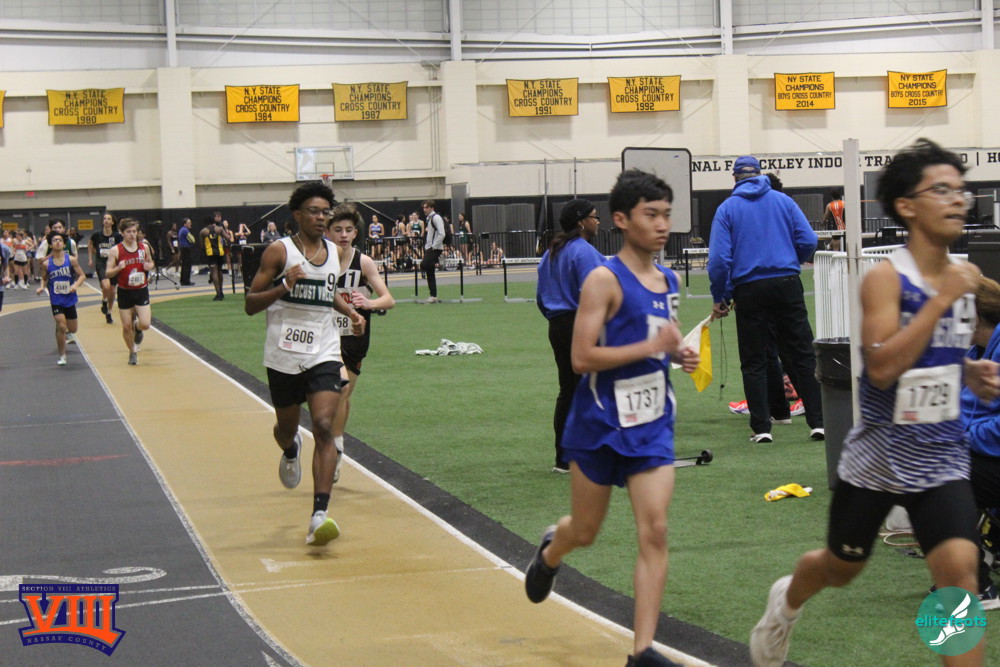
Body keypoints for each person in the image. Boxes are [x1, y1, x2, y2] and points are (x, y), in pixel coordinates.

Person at [750, 138, 1000, 667]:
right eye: (941, 190)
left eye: (960, 190)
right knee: (841, 567)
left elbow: (937, 354)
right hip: (880, 457)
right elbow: (882, 367)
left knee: (959, 574)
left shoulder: (965, 279)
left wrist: (967, 371)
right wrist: (941, 299)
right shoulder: (887, 278)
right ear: (907, 206)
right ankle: (786, 601)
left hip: (941, 455)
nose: (958, 200)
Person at [523, 169, 699, 667]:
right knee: (585, 530)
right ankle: (551, 551)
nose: (662, 224)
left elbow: (663, 336)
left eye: (666, 215)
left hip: (652, 424)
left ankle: (642, 651)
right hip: (599, 422)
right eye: (651, 215)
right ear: (621, 220)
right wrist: (651, 346)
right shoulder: (603, 279)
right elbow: (582, 358)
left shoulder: (670, 280)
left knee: (655, 529)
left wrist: (678, 353)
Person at [244, 181, 365, 546]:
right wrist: (284, 285)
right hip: (283, 355)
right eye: (314, 211)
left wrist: (351, 313)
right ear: (297, 214)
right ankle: (290, 447)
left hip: (323, 351)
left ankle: (319, 515)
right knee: (286, 428)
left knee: (325, 424)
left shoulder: (333, 252)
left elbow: (326, 293)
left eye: (326, 212)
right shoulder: (279, 251)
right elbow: (250, 304)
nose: (321, 217)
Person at [707, 155, 824, 444]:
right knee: (802, 354)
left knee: (754, 359)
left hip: (750, 289)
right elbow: (809, 240)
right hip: (787, 284)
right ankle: (819, 422)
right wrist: (791, 262)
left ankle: (762, 428)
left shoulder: (727, 209)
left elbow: (719, 260)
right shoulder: (784, 201)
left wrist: (721, 295)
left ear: (734, 178)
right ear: (760, 174)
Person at [325, 203, 395, 484]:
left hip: (355, 338)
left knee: (344, 396)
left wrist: (368, 303)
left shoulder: (363, 262)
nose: (343, 235)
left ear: (355, 233)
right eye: (338, 229)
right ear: (328, 232)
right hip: (325, 336)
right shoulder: (320, 261)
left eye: (348, 230)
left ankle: (337, 445)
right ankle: (333, 449)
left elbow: (388, 299)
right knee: (338, 390)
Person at [536, 198, 605, 473]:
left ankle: (564, 459)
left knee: (568, 391)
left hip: (557, 325)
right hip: (581, 324)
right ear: (581, 222)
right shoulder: (584, 252)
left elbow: (541, 298)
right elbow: (597, 293)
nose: (598, 221)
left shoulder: (551, 253)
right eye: (594, 216)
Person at [959, 275, 1000, 609]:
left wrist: (962, 437)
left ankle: (975, 584)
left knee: (944, 478)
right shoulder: (976, 353)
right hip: (984, 453)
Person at [106, 218, 155, 366]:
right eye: (128, 232)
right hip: (125, 291)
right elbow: (108, 273)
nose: (132, 234)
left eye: (134, 231)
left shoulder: (144, 247)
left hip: (141, 290)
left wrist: (149, 266)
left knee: (145, 324)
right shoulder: (116, 250)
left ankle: (138, 328)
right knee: (126, 325)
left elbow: (151, 262)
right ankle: (132, 352)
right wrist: (118, 268)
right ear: (122, 233)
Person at [35, 232, 85, 366]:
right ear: (51, 245)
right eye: (55, 240)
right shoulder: (46, 264)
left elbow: (82, 275)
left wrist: (75, 285)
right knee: (62, 326)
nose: (58, 242)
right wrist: (41, 287)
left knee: (72, 329)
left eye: (60, 240)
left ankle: (64, 332)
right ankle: (62, 355)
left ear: (64, 244)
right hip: (56, 298)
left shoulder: (71, 260)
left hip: (69, 297)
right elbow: (44, 278)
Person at [89, 212, 123, 324]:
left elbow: (120, 249)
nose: (106, 220)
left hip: (113, 265)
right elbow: (90, 244)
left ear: (112, 222)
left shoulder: (117, 236)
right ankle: (104, 300)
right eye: (105, 219)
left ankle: (109, 312)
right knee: (106, 286)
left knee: (112, 290)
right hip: (102, 264)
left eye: (109, 219)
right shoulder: (97, 235)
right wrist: (91, 257)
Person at [420, 200, 446, 303]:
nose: (424, 209)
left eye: (427, 207)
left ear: (432, 208)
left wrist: (434, 246)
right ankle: (433, 295)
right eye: (424, 207)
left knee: (424, 264)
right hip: (429, 247)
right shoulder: (429, 218)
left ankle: (439, 261)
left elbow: (442, 233)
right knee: (430, 272)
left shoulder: (436, 218)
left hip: (434, 248)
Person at [200, 218, 226, 301]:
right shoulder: (219, 229)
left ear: (206, 223)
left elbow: (202, 246)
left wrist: (206, 251)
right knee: (219, 271)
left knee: (214, 272)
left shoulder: (203, 231)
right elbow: (227, 238)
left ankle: (218, 294)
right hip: (220, 253)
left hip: (211, 254)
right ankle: (221, 291)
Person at [178, 217, 196, 286]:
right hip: (186, 249)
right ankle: (186, 281)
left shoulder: (181, 230)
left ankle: (183, 280)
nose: (190, 224)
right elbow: (192, 240)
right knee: (187, 265)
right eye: (188, 222)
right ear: (184, 224)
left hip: (182, 248)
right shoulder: (185, 230)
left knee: (184, 265)